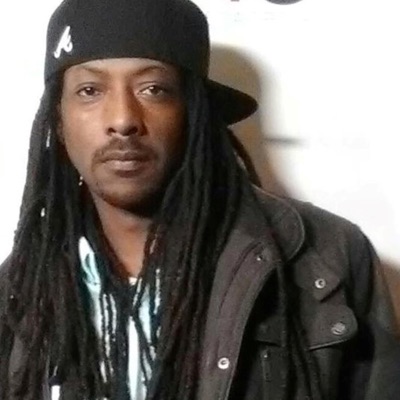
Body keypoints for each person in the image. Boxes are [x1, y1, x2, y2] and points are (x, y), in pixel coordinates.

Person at [0, 0, 399, 399]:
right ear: (58, 120)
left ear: (195, 113)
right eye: (90, 91)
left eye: (153, 89)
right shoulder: (18, 291)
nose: (122, 119)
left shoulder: (327, 259)